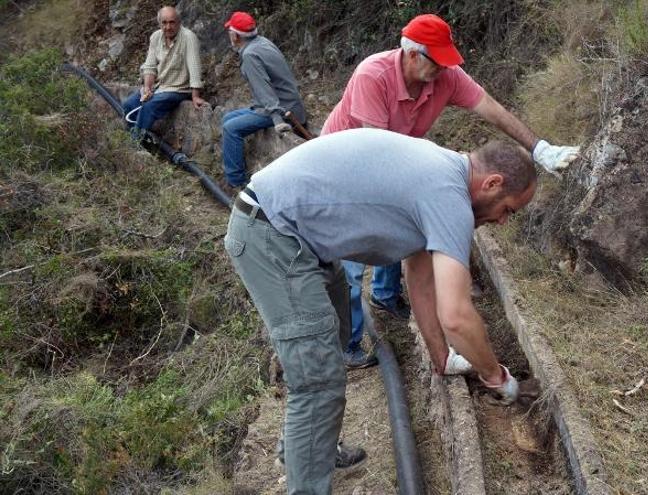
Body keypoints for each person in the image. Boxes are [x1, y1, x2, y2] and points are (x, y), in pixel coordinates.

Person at [224, 128, 533, 494]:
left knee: (332, 342)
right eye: (507, 210)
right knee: (318, 378)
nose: (502, 221)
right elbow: (457, 316)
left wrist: (441, 356)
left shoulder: (443, 175)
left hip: (297, 237)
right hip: (271, 235)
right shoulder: (449, 196)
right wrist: (497, 377)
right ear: (492, 183)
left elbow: (419, 278)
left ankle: (305, 450)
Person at [322, 14, 580, 369]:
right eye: (437, 61)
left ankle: (385, 295)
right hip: (346, 170)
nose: (444, 70)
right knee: (352, 256)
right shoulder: (374, 75)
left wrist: (539, 148)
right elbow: (376, 155)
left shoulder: (444, 77)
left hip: (394, 157)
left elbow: (492, 109)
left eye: (447, 62)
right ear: (412, 55)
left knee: (404, 226)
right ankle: (347, 346)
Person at [220, 11, 308, 194]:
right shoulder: (262, 42)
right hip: (284, 104)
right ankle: (236, 164)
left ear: (236, 36)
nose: (229, 34)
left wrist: (277, 119)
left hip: (281, 110)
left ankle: (236, 184)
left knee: (231, 128)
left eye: (230, 31)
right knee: (228, 118)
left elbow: (264, 90)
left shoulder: (250, 55)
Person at [122, 6, 206, 141]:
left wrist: (195, 96)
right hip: (158, 87)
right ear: (160, 23)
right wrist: (147, 89)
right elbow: (149, 66)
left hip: (178, 88)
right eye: (164, 23)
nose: (168, 27)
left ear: (179, 22)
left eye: (172, 22)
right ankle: (132, 135)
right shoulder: (156, 37)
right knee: (128, 105)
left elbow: (195, 68)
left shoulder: (188, 37)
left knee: (149, 107)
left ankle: (136, 142)